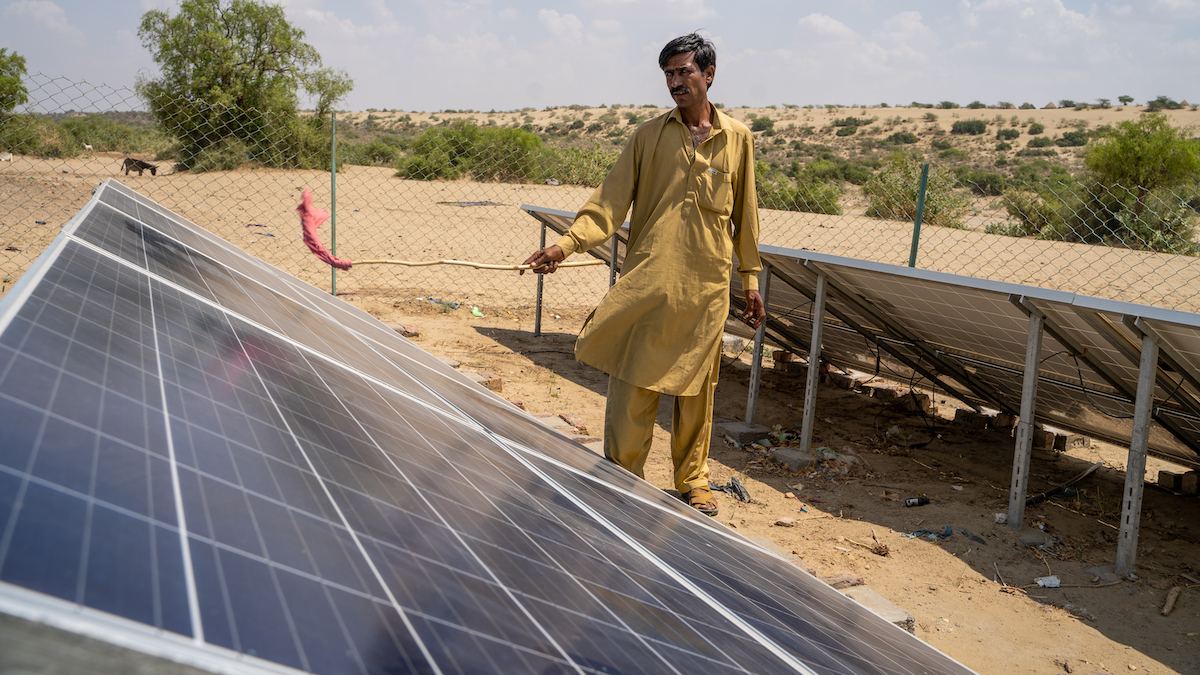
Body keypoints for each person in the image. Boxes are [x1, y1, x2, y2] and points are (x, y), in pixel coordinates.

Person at [522, 33, 765, 516]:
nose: (675, 82)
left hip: (706, 288)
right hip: (649, 280)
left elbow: (747, 216)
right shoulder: (649, 136)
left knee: (697, 389)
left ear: (709, 74)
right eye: (669, 74)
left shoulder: (738, 138)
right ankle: (620, 476)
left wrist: (751, 281)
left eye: (684, 72)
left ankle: (694, 481)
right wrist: (567, 245)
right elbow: (608, 205)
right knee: (634, 380)